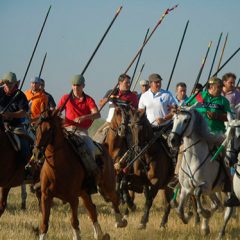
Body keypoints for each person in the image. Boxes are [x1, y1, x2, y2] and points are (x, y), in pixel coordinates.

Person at [58, 74, 100, 176]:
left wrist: (84, 117)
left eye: (78, 85)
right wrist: (60, 117)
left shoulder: (89, 100)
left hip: (81, 131)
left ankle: (92, 174)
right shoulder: (65, 98)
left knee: (90, 148)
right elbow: (58, 111)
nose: (76, 87)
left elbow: (97, 114)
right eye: (74, 85)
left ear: (83, 86)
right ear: (71, 86)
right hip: (66, 130)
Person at [94, 74, 138, 143]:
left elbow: (135, 111)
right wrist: (106, 99)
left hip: (126, 124)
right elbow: (100, 104)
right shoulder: (111, 92)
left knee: (132, 142)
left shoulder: (133, 96)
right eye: (126, 83)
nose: (129, 84)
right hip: (109, 123)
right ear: (120, 83)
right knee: (97, 137)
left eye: (129, 82)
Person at [0, 72, 31, 165]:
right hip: (0, 123)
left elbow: (23, 112)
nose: (9, 85)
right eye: (7, 83)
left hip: (14, 126)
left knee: (24, 145)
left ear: (15, 83)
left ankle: (24, 168)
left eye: (11, 83)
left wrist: (10, 114)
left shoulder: (20, 95)